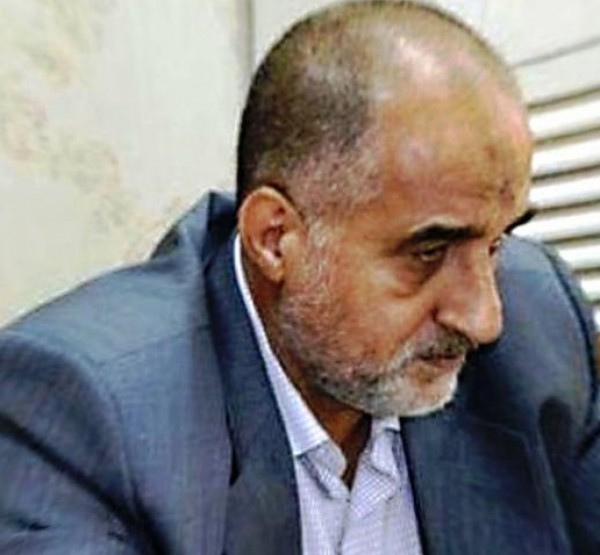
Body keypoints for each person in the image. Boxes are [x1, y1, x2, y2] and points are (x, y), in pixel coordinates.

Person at [1, 1, 598, 554]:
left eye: (496, 243)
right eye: (428, 251)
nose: (484, 319)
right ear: (275, 238)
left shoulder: (542, 330)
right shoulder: (79, 412)